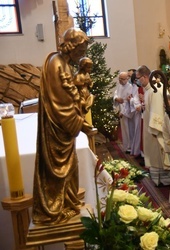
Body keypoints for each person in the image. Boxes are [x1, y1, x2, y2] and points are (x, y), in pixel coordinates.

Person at [32, 28, 94, 225]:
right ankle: (55, 209)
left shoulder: (63, 63)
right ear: (71, 47)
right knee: (60, 169)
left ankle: (66, 203)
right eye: (80, 51)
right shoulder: (56, 64)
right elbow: (61, 104)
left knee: (70, 168)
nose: (82, 55)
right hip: (57, 132)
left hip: (63, 133)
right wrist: (80, 123)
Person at [136, 65, 170, 186]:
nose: (138, 82)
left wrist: (155, 130)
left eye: (138, 78)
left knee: (158, 153)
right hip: (149, 126)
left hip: (155, 129)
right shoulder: (149, 89)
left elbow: (157, 111)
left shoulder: (155, 90)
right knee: (153, 153)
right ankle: (158, 177)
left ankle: (164, 179)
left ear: (145, 77)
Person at [113, 72, 134, 153]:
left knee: (129, 129)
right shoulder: (119, 86)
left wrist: (123, 112)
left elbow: (128, 102)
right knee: (124, 130)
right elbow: (115, 94)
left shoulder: (130, 87)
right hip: (121, 108)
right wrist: (116, 99)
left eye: (122, 79)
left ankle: (130, 147)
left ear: (127, 79)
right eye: (119, 79)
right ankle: (126, 146)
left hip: (127, 111)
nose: (120, 81)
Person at [127, 69, 142, 158]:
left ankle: (139, 151)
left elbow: (136, 99)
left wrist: (131, 100)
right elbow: (135, 98)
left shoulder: (137, 87)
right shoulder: (134, 86)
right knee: (136, 132)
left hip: (139, 111)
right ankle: (137, 150)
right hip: (137, 111)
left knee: (138, 132)